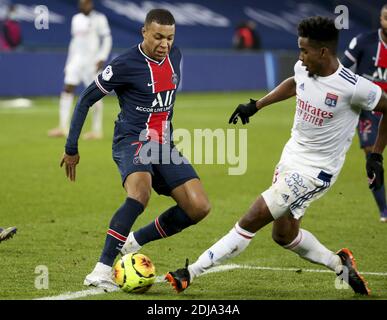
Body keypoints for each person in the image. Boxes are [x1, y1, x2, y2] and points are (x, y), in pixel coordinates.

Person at [166, 16, 387, 296]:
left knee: (253, 217)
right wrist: (256, 105)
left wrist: (376, 155)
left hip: (315, 172)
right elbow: (295, 83)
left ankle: (190, 272)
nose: (300, 57)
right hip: (291, 157)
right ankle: (340, 264)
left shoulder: (354, 87)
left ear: (323, 52)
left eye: (305, 51)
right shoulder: (304, 68)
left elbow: (386, 107)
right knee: (284, 235)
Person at [60, 8, 211, 289]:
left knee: (199, 207)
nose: (164, 44)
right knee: (140, 193)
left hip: (163, 145)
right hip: (132, 140)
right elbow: (85, 100)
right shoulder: (124, 64)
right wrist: (71, 147)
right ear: (143, 32)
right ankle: (101, 270)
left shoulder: (175, 56)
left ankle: (133, 242)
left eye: (169, 38)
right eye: (158, 37)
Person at [341, 5, 387, 223]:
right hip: (369, 111)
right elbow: (342, 69)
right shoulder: (364, 41)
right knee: (372, 156)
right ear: (380, 19)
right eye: (386, 18)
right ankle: (384, 210)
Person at [48, 0, 112, 140]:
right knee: (67, 88)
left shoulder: (99, 18)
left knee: (95, 94)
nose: (81, 6)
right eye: (80, 3)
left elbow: (107, 39)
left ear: (90, 4)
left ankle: (96, 130)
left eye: (84, 3)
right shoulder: (76, 19)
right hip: (76, 60)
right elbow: (74, 42)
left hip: (92, 62)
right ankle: (62, 127)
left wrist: (102, 57)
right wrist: (68, 62)